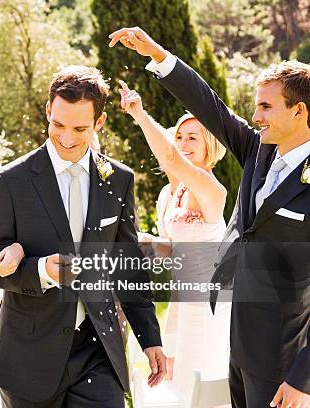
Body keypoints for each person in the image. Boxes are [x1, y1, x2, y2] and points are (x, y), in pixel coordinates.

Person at [109, 26, 310, 407]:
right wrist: (156, 53)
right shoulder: (258, 152)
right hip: (235, 337)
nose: (255, 116)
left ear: (299, 110)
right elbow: (209, 105)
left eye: (266, 107)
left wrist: (303, 378)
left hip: (284, 353)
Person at [0, 65, 166, 407]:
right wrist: (41, 270)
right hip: (29, 357)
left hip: (98, 350)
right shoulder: (9, 181)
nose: (67, 138)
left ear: (99, 123)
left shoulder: (118, 179)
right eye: (58, 124)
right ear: (48, 110)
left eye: (80, 128)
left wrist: (150, 338)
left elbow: (128, 266)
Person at [119, 82, 231, 393]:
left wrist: (139, 114)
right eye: (178, 136)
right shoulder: (174, 192)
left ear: (210, 144)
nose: (182, 143)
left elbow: (169, 158)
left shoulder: (211, 189)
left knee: (200, 386)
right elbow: (173, 249)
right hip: (182, 298)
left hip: (209, 303)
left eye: (192, 138)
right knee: (178, 382)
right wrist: (141, 241)